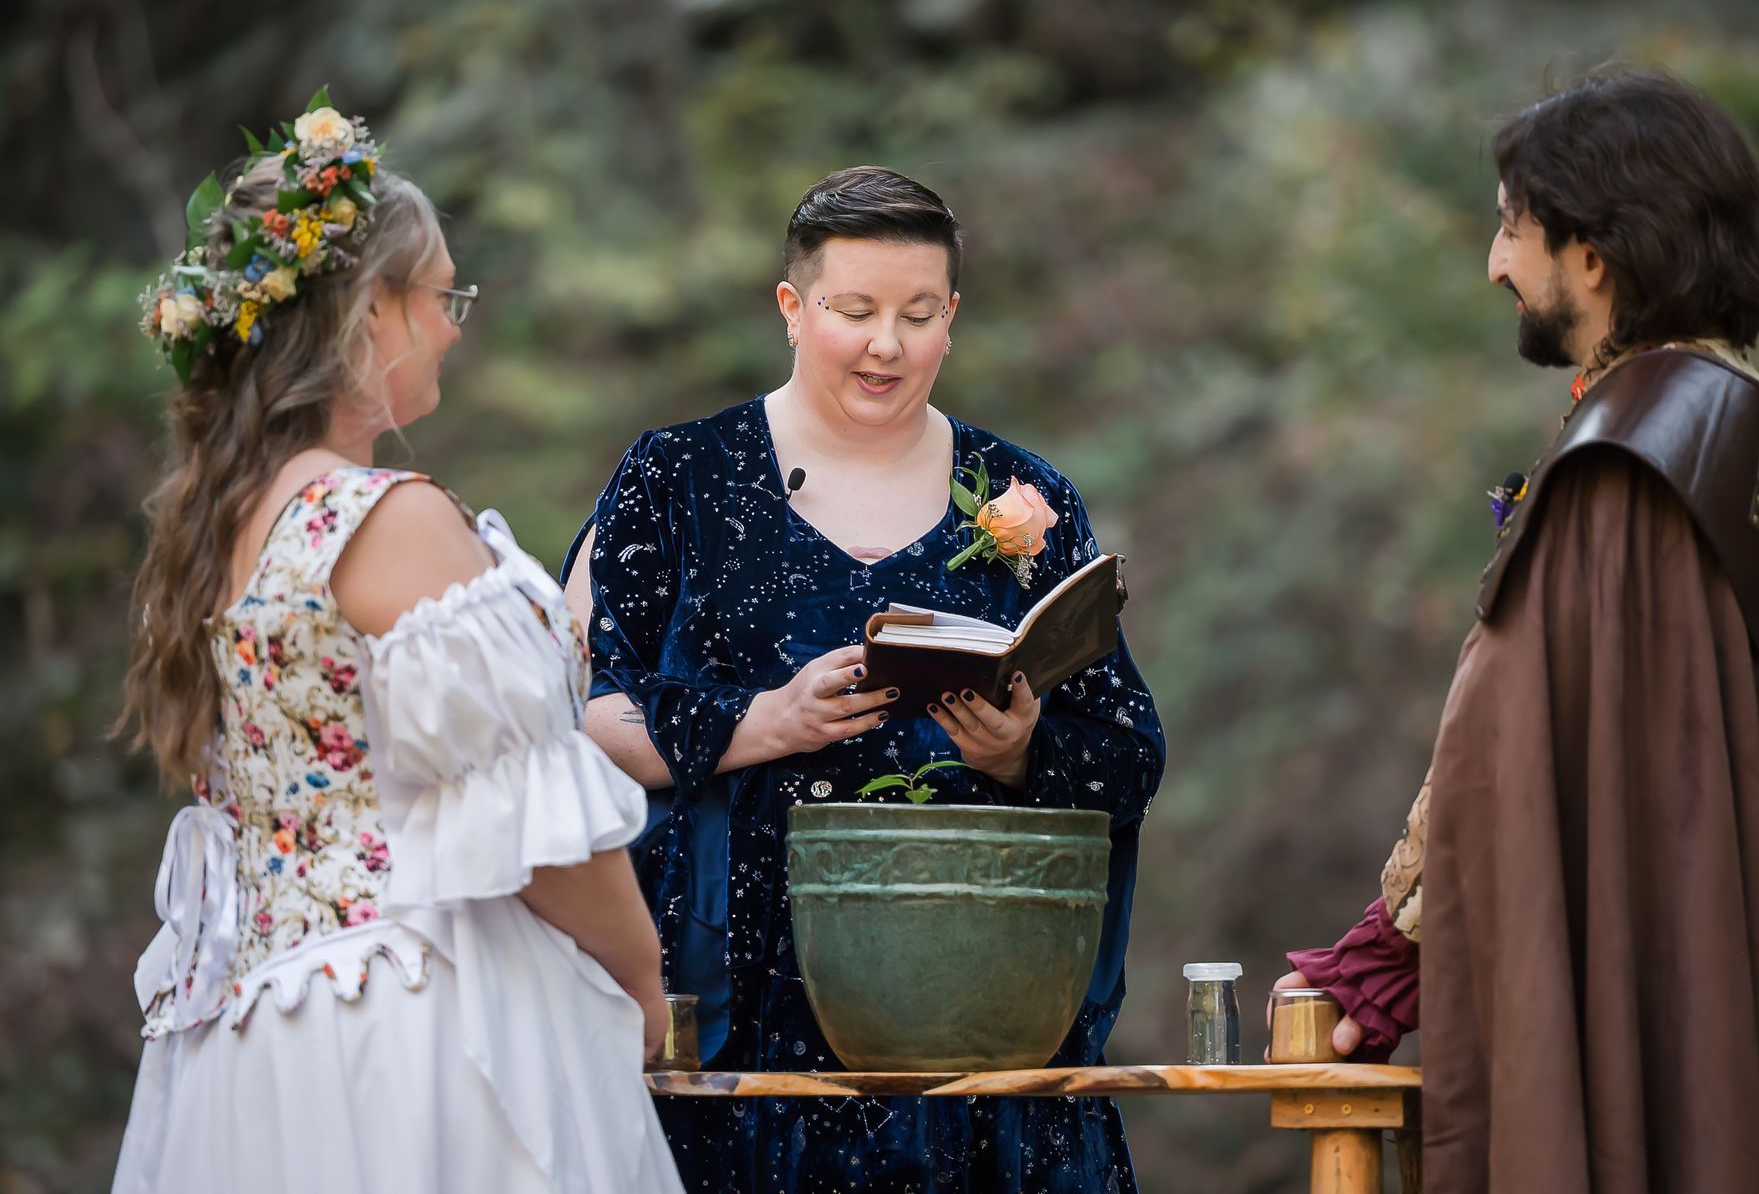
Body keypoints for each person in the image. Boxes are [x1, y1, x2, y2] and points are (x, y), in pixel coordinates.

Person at [1273, 68, 1759, 1193]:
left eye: (1513, 228)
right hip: (1708, 970)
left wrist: (1386, 954)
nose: (1495, 263)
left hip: (1633, 977)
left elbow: (1507, 747)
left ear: (1595, 252)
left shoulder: (1636, 456)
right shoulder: (1747, 422)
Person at [113, 96, 684, 1193]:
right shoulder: (380, 518)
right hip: (412, 1027)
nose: (457, 323)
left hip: (257, 1041)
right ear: (369, 312)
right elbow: (541, 833)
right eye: (442, 295)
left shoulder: (207, 536)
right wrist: (645, 981)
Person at [563, 165, 1166, 1191]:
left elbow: (1129, 753)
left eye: (919, 313)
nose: (888, 343)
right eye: (856, 310)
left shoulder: (1026, 495)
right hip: (738, 1028)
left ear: (953, 318)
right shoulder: (677, 479)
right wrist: (762, 721)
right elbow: (582, 718)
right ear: (794, 309)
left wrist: (1025, 749)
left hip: (971, 1028)